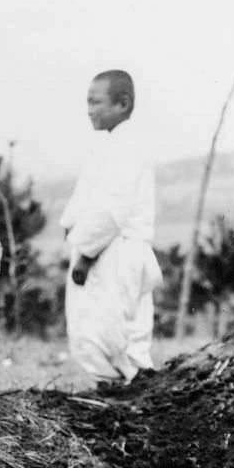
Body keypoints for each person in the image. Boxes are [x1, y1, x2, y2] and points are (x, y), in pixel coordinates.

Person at [60, 69, 163, 383]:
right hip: (106, 249)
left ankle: (125, 405)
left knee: (105, 337)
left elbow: (112, 210)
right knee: (111, 337)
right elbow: (87, 200)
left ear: (123, 104)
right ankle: (124, 403)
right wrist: (71, 228)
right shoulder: (110, 145)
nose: (89, 110)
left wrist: (86, 254)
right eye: (87, 102)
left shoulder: (126, 147)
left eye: (96, 102)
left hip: (114, 252)